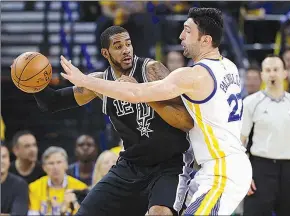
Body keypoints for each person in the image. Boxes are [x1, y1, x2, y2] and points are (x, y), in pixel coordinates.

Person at [60, 7, 252, 215]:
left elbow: (135, 93)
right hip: (221, 167)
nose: (181, 35)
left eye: (187, 31)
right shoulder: (229, 67)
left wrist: (85, 81)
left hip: (221, 171)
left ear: (205, 40)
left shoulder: (194, 75)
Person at [31, 26, 194, 215]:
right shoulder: (100, 83)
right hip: (132, 164)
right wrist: (32, 82)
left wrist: (142, 93)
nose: (126, 50)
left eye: (129, 44)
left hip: (170, 163)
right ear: (105, 53)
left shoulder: (151, 70)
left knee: (160, 213)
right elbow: (52, 103)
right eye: (118, 46)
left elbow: (186, 121)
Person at [241, 55, 290, 216]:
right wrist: (244, 175)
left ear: (285, 73)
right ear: (262, 75)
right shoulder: (250, 103)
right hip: (260, 170)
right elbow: (239, 142)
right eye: (268, 70)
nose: (272, 74)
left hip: (289, 170)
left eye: (276, 70)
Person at [28, 146, 88, 216]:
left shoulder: (80, 188)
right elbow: (33, 213)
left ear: (66, 164)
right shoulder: (34, 187)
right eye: (51, 163)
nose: (55, 167)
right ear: (44, 167)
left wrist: (74, 203)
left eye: (59, 162)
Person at [1, 143, 29, 216]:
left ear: (9, 160)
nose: (1, 161)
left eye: (4, 157)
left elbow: (19, 214)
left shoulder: (20, 184)